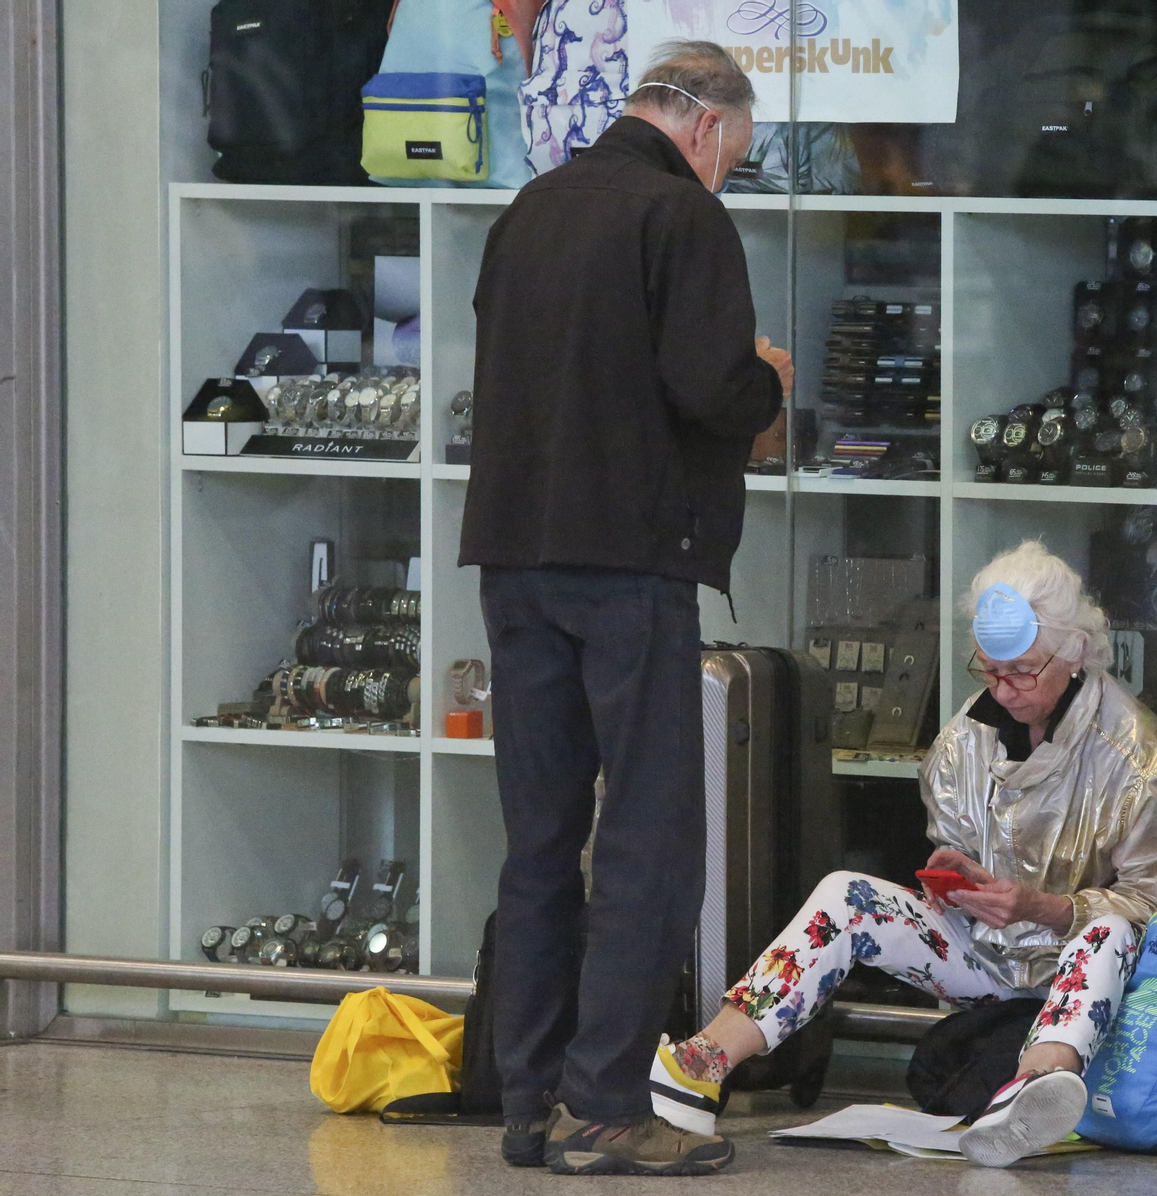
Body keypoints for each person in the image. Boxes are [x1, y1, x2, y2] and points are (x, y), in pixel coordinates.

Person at [458, 40, 793, 1178]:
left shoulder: (530, 209)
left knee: (541, 840)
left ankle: (525, 1099)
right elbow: (712, 388)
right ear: (703, 125)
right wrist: (770, 383)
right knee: (647, 840)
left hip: (514, 560)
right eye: (732, 159)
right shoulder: (681, 219)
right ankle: (601, 1107)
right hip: (631, 563)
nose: (725, 178)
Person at [651, 541, 1157, 1168]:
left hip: (1084, 982)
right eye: (987, 671)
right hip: (987, 961)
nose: (1003, 690)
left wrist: (1044, 908)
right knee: (845, 894)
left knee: (1113, 929)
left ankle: (1037, 1083)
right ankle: (704, 1062)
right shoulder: (967, 733)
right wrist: (954, 876)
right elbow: (953, 842)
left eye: (1021, 673)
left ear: (1075, 654)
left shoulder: (1141, 756)